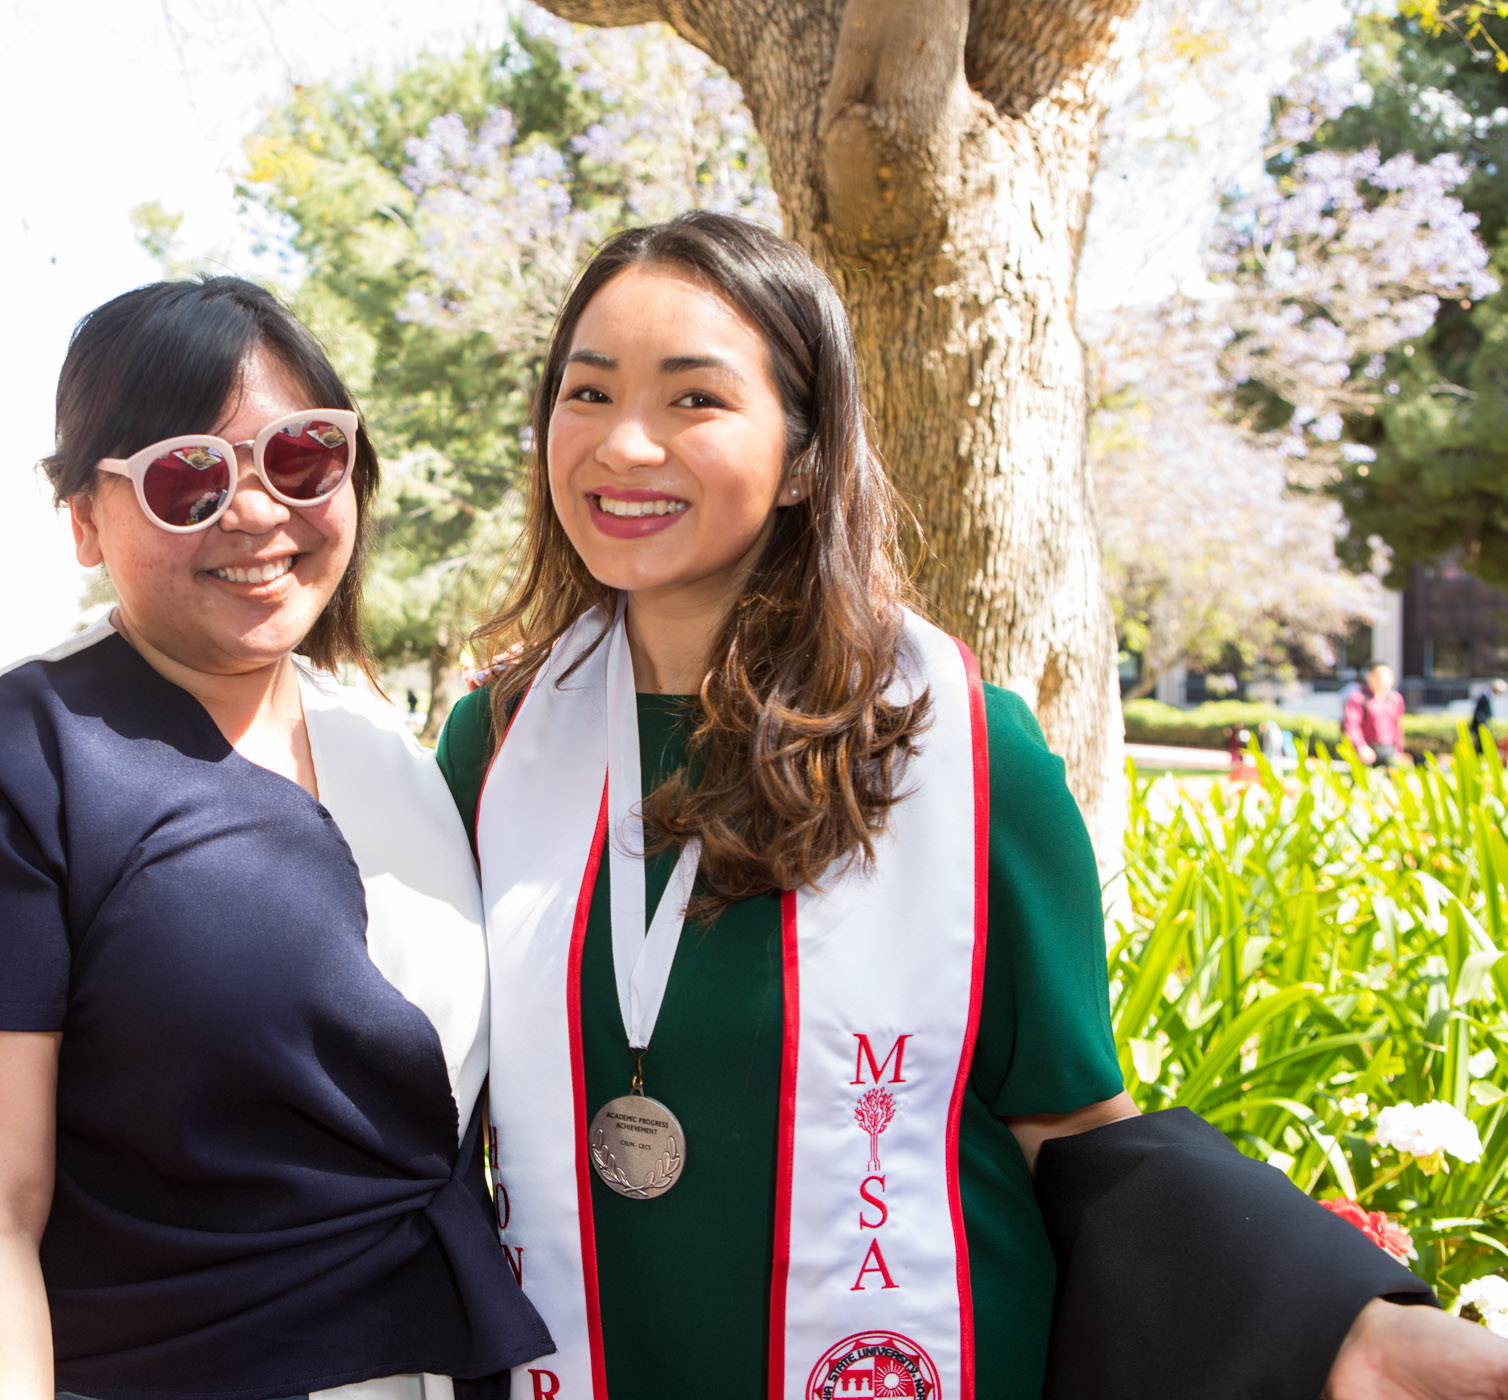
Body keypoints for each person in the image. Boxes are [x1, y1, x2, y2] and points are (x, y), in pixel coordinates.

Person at [437, 212, 1506, 1400]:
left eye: (695, 399)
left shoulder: (957, 749)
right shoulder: (496, 747)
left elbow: (1077, 1131)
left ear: (806, 455)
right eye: (587, 393)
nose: (624, 443)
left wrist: (1341, 1325)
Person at [0, 278, 549, 1400]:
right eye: (187, 478)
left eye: (302, 457)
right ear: (84, 518)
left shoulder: (387, 745)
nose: (256, 511)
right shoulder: (10, 769)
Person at [1344, 661, 1407, 766]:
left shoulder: (1396, 699)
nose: (1383, 681)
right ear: (1369, 677)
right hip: (1367, 750)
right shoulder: (1358, 698)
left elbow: (1398, 727)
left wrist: (1399, 750)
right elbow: (1352, 725)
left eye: (1387, 677)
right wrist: (1361, 746)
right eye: (1379, 677)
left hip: (1389, 749)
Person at [1473, 678, 1504, 753]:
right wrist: (1483, 724)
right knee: (1482, 746)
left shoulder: (1488, 696)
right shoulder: (1485, 696)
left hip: (1483, 725)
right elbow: (1479, 713)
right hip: (1480, 726)